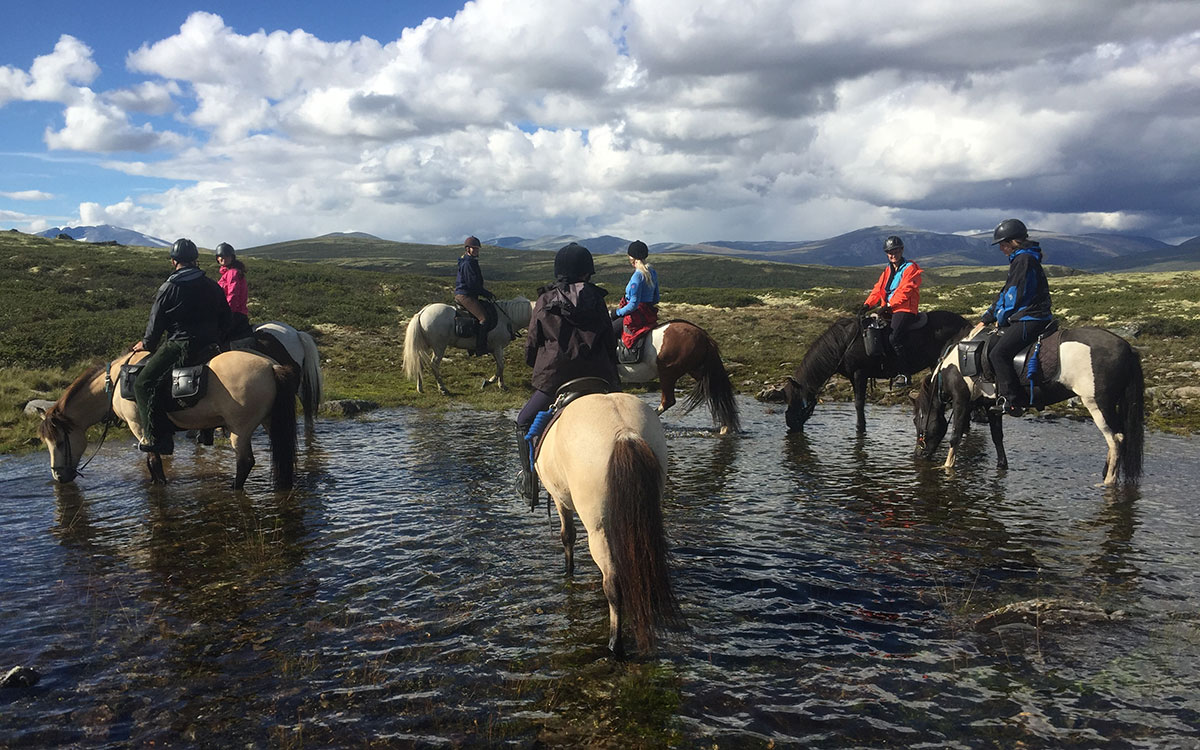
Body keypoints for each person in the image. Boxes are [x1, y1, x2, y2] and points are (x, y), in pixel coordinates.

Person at [515, 243, 619, 502]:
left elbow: (532, 343)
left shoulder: (544, 300)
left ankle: (529, 483)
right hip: (600, 375)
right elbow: (608, 341)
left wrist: (536, 366)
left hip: (556, 377)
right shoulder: (598, 299)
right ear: (587, 272)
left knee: (524, 421)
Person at [131, 238, 232, 453]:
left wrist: (146, 343)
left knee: (143, 384)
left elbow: (155, 324)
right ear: (195, 260)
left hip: (181, 345)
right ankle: (205, 429)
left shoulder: (169, 287)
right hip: (212, 345)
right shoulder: (212, 285)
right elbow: (226, 318)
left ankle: (155, 438)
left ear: (173, 261)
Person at [977, 218, 1053, 417]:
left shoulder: (1023, 260)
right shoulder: (1023, 258)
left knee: (998, 354)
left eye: (1003, 244)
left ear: (1013, 242)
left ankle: (1012, 401)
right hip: (1031, 315)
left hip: (1030, 317)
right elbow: (1005, 293)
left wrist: (1001, 318)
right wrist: (988, 316)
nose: (1001, 248)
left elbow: (1014, 296)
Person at [861, 235, 922, 365]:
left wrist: (888, 304)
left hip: (905, 308)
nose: (893, 255)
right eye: (890, 252)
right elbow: (878, 289)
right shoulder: (888, 270)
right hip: (889, 308)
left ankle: (904, 372)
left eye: (896, 251)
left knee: (894, 337)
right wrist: (867, 304)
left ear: (902, 250)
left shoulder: (910, 268)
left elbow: (906, 290)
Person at [610, 239, 660, 347]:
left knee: (608, 332)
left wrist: (616, 313)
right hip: (649, 314)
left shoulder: (637, 276)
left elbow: (633, 304)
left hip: (636, 315)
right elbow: (656, 298)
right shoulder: (652, 272)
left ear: (632, 257)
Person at [454, 235, 495, 356]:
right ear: (468, 249)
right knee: (483, 318)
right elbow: (472, 284)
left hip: (468, 294)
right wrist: (485, 293)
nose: (476, 251)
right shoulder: (468, 263)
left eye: (477, 249)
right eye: (474, 248)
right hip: (465, 295)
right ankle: (480, 348)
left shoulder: (470, 261)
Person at [215, 242, 253, 341]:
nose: (222, 258)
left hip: (234, 314)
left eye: (226, 255)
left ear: (231, 257)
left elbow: (233, 294)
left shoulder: (232, 273)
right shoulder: (229, 273)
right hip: (236, 313)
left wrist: (226, 313)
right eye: (219, 256)